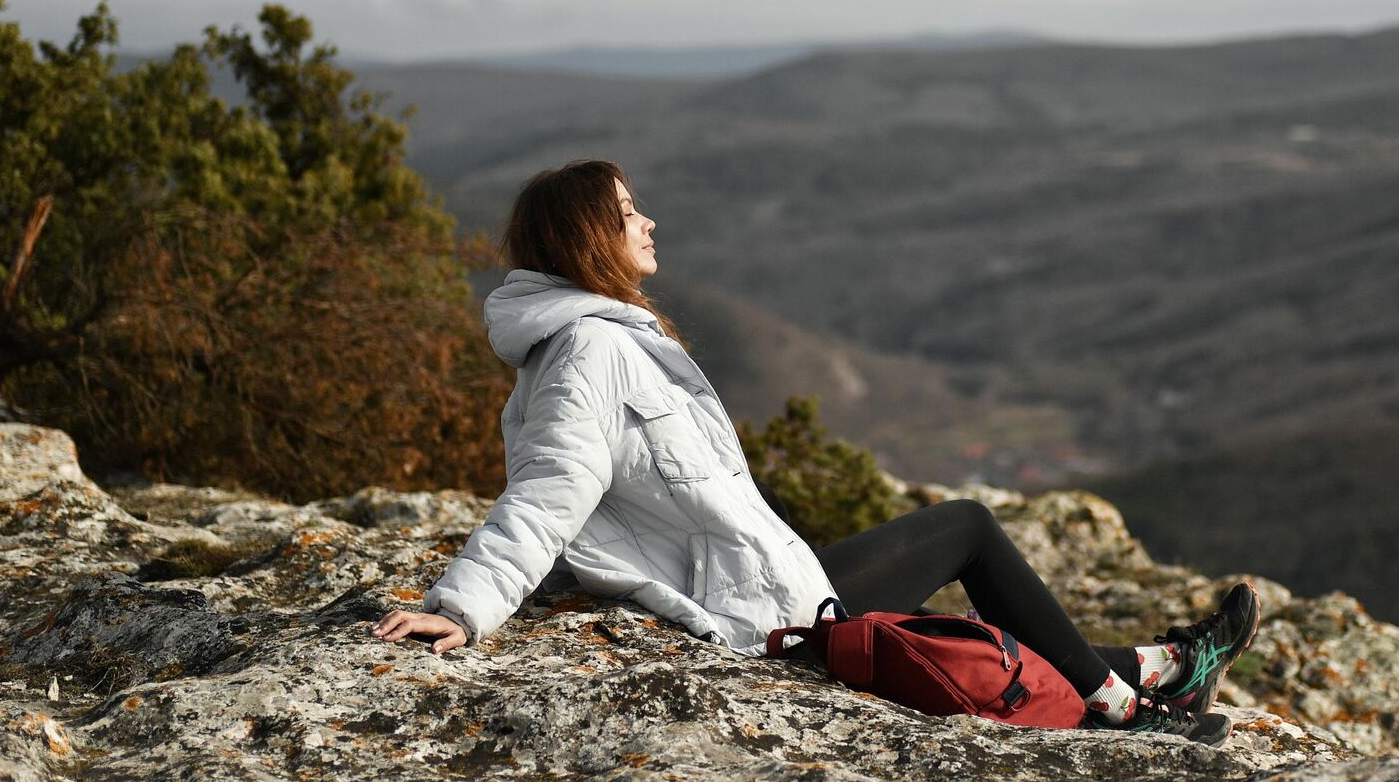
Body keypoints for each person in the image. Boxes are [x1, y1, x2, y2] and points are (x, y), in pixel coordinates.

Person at [371, 159, 1260, 745]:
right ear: (585, 239)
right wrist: (464, 604)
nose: (649, 222)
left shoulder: (599, 341)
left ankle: (1168, 664)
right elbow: (548, 493)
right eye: (627, 211)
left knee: (986, 625)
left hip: (765, 593)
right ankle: (1127, 711)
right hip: (764, 631)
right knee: (970, 531)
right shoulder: (588, 354)